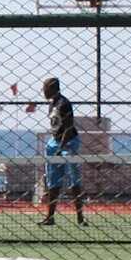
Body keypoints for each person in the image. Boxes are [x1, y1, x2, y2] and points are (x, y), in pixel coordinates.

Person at [39, 75, 87, 226]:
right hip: (55, 141)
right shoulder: (52, 104)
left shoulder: (64, 104)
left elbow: (68, 127)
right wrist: (55, 146)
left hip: (68, 143)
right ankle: (50, 217)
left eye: (45, 88)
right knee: (53, 180)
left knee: (74, 179)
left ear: (52, 88)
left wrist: (61, 148)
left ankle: (80, 217)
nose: (43, 91)